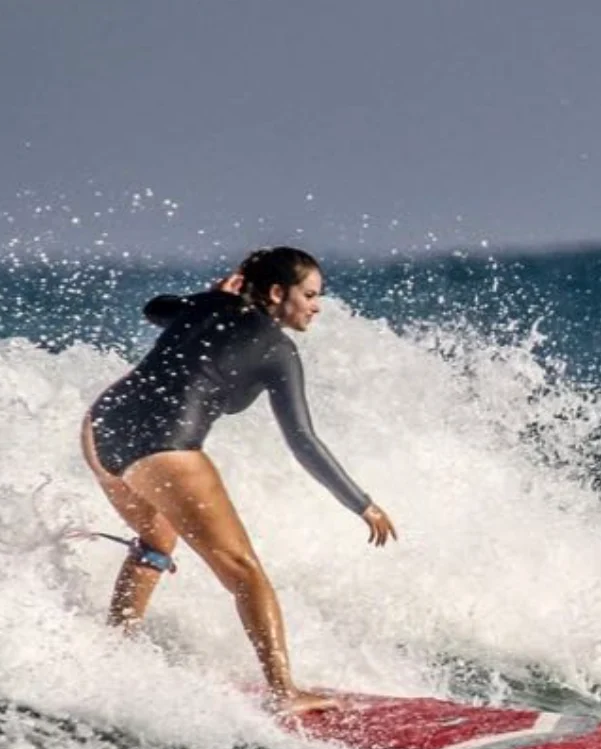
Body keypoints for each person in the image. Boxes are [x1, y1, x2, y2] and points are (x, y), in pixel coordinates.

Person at [79, 246, 397, 714]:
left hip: (102, 429)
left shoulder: (209, 306)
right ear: (275, 292)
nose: (316, 305)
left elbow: (155, 308)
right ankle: (285, 692)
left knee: (156, 540)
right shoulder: (278, 349)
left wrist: (207, 295)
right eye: (309, 294)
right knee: (245, 573)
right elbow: (303, 440)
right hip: (164, 448)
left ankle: (113, 649)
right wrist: (361, 503)